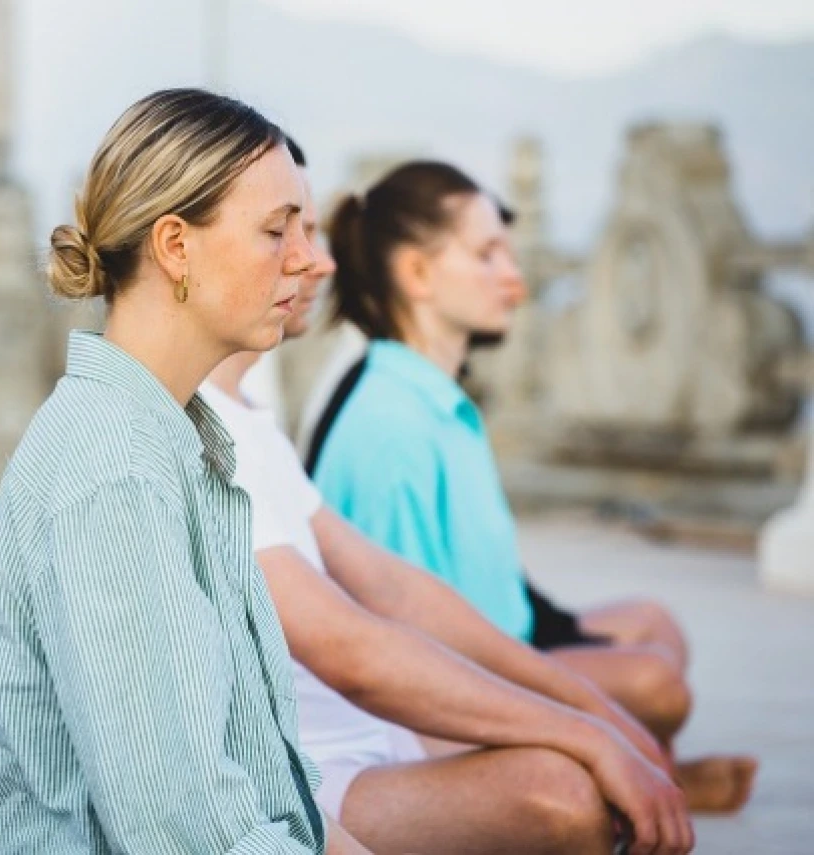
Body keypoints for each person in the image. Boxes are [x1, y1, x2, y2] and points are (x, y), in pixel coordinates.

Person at [205, 140, 693, 855]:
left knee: (632, 672)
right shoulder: (352, 424)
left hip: (362, 734)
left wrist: (588, 715)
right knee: (569, 788)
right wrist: (581, 724)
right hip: (308, 770)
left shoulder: (248, 421)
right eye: (282, 232)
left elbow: (398, 590)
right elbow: (359, 646)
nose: (319, 261)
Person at [0, 89, 369, 855]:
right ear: (176, 247)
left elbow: (274, 793)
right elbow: (190, 834)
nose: (307, 259)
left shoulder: (174, 444)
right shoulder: (114, 471)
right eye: (277, 230)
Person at [308, 160, 757, 812]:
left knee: (655, 622)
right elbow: (402, 631)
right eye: (489, 254)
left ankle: (649, 766)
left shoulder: (432, 395)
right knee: (657, 683)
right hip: (455, 675)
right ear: (418, 273)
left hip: (507, 634)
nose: (515, 280)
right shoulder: (389, 424)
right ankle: (642, 773)